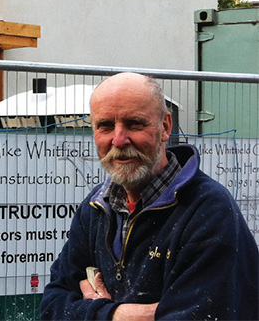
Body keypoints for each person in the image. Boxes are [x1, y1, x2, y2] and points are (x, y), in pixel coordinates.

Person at [41, 72, 259, 320]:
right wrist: (119, 315)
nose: (119, 139)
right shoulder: (95, 208)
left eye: (135, 124)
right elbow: (51, 307)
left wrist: (89, 311)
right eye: (105, 126)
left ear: (165, 126)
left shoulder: (208, 212)